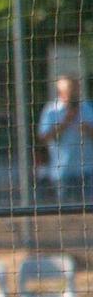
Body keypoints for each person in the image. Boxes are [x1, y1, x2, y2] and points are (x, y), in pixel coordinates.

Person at [37, 75, 93, 204]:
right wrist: (64, 124)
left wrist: (88, 129)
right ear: (61, 92)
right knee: (67, 214)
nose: (75, 94)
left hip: (88, 170)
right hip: (63, 172)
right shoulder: (51, 111)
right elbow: (43, 137)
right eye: (71, 91)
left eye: (76, 90)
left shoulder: (88, 108)